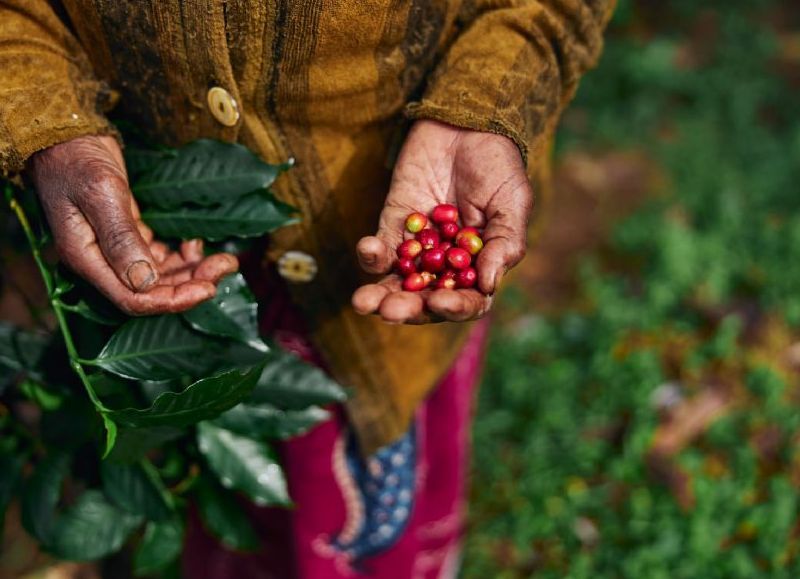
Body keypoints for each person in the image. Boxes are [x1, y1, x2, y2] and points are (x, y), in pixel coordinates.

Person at [0, 1, 614, 576]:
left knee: (364, 457)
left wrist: (487, 103)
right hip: (153, 238)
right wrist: (45, 120)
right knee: (186, 479)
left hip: (363, 258)